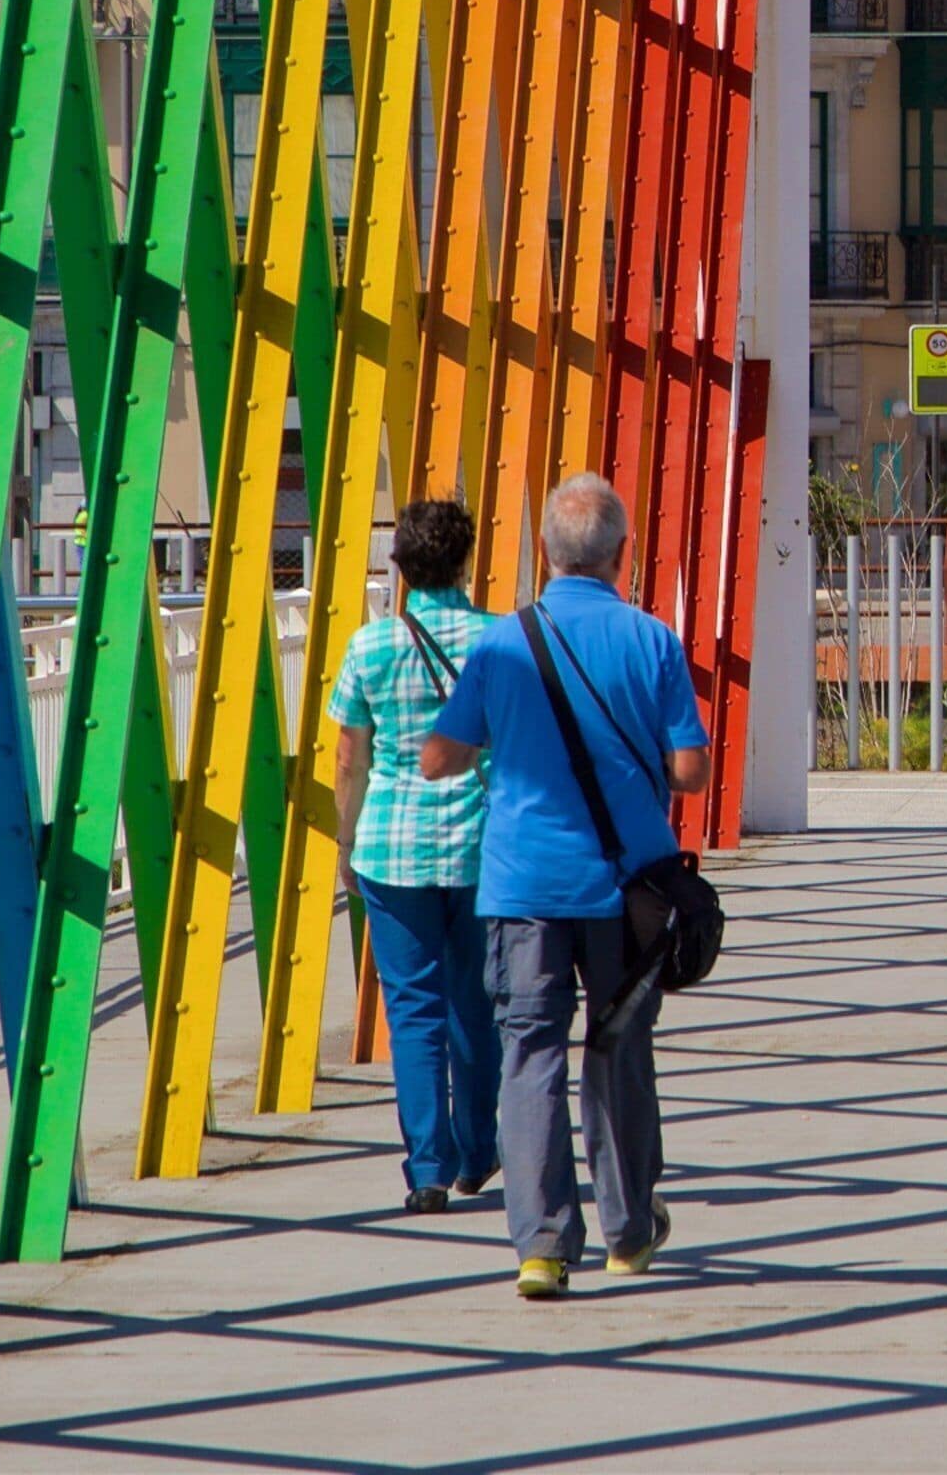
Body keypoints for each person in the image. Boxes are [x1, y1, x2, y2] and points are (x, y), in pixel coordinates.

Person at [419, 474, 712, 1301]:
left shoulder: (501, 644)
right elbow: (690, 772)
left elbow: (442, 757)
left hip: (523, 889)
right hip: (627, 894)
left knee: (530, 1054)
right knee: (619, 1052)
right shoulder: (652, 640)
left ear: (544, 553)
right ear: (623, 554)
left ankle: (542, 1246)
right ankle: (625, 1232)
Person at [328, 498, 498, 1216]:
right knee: (479, 1003)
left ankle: (427, 1168)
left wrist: (346, 839)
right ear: (465, 561)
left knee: (413, 1011)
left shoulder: (370, 646)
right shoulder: (501, 641)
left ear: (400, 567)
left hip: (391, 851)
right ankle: (478, 1148)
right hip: (482, 849)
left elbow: (348, 759)